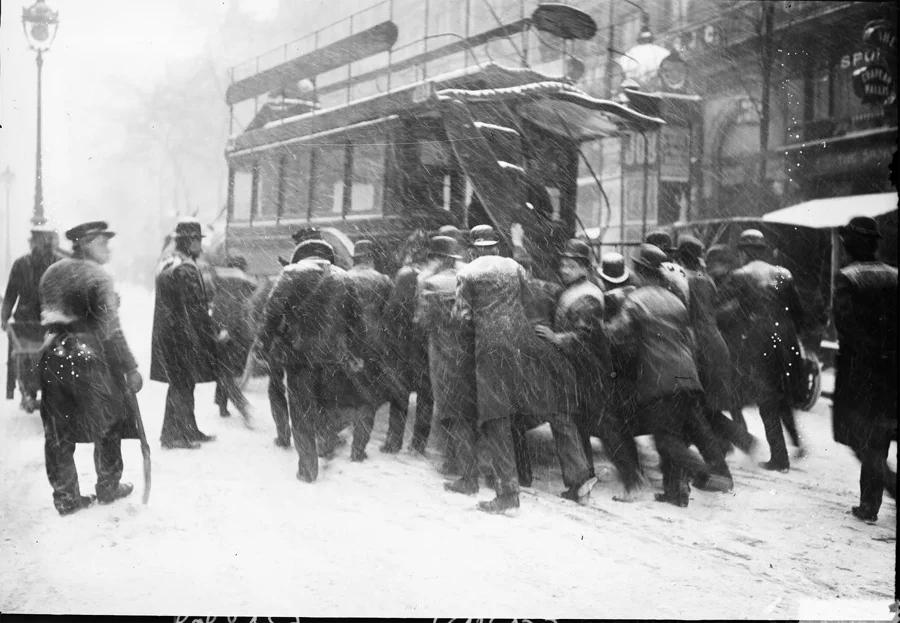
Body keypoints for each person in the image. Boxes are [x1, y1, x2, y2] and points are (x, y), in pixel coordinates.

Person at [606, 244, 730, 507]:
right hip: (687, 374)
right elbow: (689, 339)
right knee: (685, 429)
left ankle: (708, 473)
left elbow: (617, 334)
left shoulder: (637, 299)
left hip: (661, 376)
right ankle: (676, 492)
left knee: (665, 437)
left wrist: (600, 327)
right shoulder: (675, 299)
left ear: (641, 270)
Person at [38, 221, 143, 515]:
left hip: (53, 354)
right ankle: (108, 486)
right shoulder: (99, 275)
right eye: (102, 242)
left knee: (58, 429)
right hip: (89, 357)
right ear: (86, 243)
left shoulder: (52, 273)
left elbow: (49, 314)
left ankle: (66, 496)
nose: (107, 248)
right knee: (107, 421)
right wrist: (130, 367)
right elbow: (110, 330)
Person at [256, 239, 363, 482]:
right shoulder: (344, 277)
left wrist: (263, 344)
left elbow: (271, 313)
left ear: (300, 256)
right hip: (332, 356)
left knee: (302, 410)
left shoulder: (291, 273)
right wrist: (357, 351)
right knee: (327, 404)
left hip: (299, 354)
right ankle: (326, 442)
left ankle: (308, 467)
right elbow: (356, 319)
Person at [717, 229, 809, 472]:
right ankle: (795, 443)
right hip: (786, 339)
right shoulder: (783, 274)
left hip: (760, 340)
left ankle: (779, 457)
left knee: (767, 399)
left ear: (745, 252)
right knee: (782, 394)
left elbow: (719, 302)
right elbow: (799, 312)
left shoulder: (740, 275)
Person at [676, 236, 757, 488]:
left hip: (696, 347)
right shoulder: (706, 280)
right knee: (706, 407)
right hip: (716, 344)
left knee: (693, 409)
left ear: (679, 257)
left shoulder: (681, 280)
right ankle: (740, 440)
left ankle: (706, 466)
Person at [832, 216, 897, 523]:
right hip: (891, 372)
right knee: (880, 437)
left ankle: (881, 494)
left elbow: (846, 328)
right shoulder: (894, 276)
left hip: (860, 372)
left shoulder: (847, 278)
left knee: (859, 436)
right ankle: (870, 504)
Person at [535, 239, 605, 485]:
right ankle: (583, 476)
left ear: (585, 267)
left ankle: (580, 479)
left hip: (583, 367)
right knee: (575, 422)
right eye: (563, 265)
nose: (564, 270)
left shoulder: (587, 296)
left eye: (571, 265)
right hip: (575, 364)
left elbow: (587, 336)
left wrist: (556, 338)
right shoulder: (574, 290)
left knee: (570, 420)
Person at [151, 218, 222, 450]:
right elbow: (196, 308)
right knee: (182, 384)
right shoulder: (186, 267)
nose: (200, 247)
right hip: (182, 335)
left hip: (169, 333)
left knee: (182, 383)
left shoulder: (169, 262)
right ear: (189, 241)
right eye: (198, 241)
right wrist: (214, 330)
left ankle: (186, 430)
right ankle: (175, 436)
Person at [414, 236, 477, 482]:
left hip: (441, 352)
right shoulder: (470, 280)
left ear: (438, 259)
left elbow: (421, 320)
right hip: (469, 352)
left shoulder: (430, 283)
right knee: (469, 407)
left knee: (446, 407)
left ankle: (452, 461)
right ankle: (473, 463)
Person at [381, 234, 435, 455]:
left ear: (411, 251)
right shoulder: (434, 274)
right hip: (427, 344)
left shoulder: (406, 275)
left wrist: (392, 339)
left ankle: (394, 442)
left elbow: (393, 312)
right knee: (426, 395)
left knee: (399, 394)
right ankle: (418, 444)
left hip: (405, 344)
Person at [3, 224, 60, 412]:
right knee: (25, 357)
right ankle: (28, 391)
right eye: (36, 240)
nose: (40, 245)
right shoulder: (21, 264)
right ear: (32, 242)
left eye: (45, 240)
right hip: (25, 321)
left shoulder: (58, 264)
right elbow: (11, 293)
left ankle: (50, 391)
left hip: (51, 320)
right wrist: (4, 315)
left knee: (51, 356)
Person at [345, 239, 392, 462]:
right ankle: (358, 449)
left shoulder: (344, 278)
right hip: (374, 343)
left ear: (355, 259)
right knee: (368, 397)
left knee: (344, 392)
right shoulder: (383, 280)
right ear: (371, 259)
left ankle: (330, 436)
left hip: (347, 343)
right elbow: (390, 312)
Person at [211, 255, 256, 422]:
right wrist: (228, 329)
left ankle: (223, 404)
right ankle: (240, 404)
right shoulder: (236, 285)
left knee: (224, 370)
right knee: (227, 372)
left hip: (224, 331)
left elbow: (219, 307)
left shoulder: (222, 283)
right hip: (233, 333)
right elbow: (234, 309)